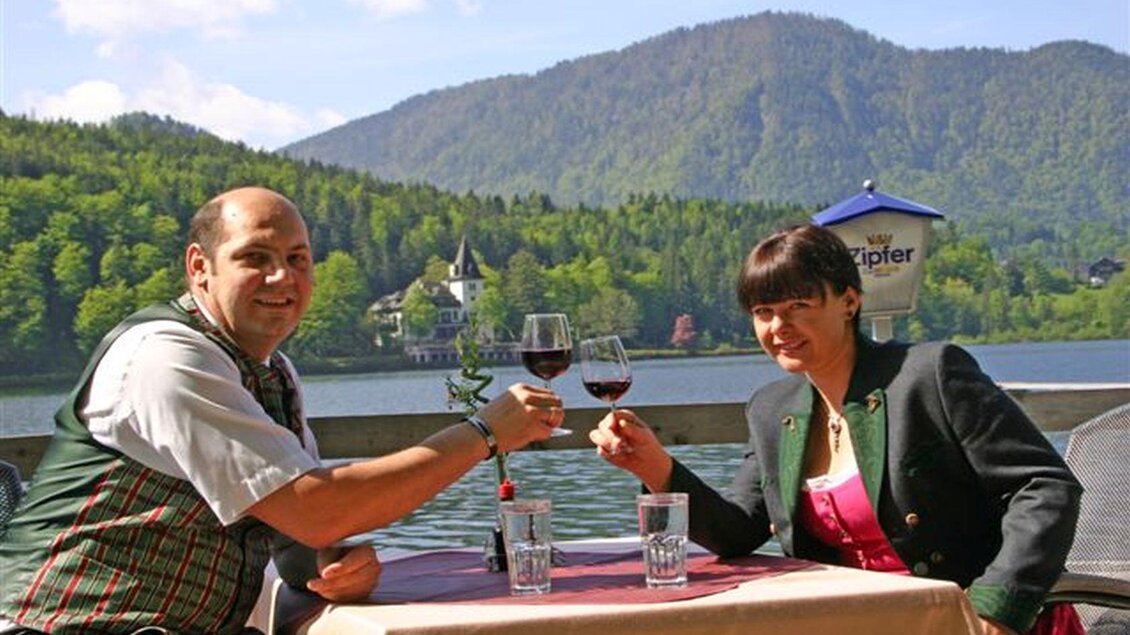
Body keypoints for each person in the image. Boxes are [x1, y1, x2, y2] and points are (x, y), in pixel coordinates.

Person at [0, 186, 565, 634]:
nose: (283, 278)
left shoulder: (274, 372)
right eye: (256, 258)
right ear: (200, 266)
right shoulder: (167, 358)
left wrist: (330, 566)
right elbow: (317, 509)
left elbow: (299, 534)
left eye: (298, 259)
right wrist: (481, 433)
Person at [589, 224, 1083, 635]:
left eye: (798, 306)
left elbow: (1043, 486)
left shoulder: (929, 374)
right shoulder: (771, 409)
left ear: (849, 301)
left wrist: (996, 607)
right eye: (763, 313)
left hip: (974, 622)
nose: (778, 326)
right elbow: (739, 531)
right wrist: (655, 466)